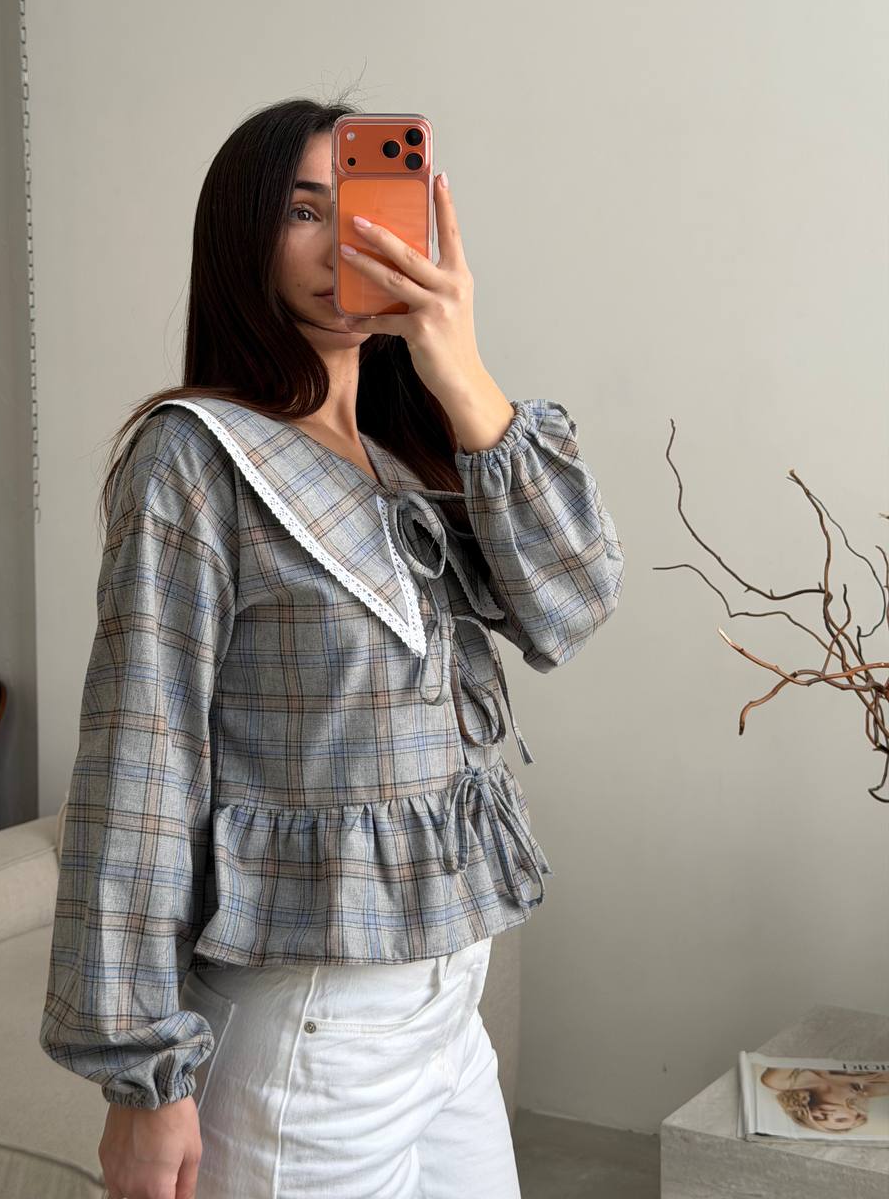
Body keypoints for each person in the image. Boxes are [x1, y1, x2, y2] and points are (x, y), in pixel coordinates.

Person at [38, 93, 625, 1199]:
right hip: (312, 1033)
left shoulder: (409, 461)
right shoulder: (195, 457)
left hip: (448, 1015)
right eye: (303, 211)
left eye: (362, 211)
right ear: (243, 240)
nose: (339, 243)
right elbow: (140, 765)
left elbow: (576, 601)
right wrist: (143, 1079)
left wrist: (459, 364)